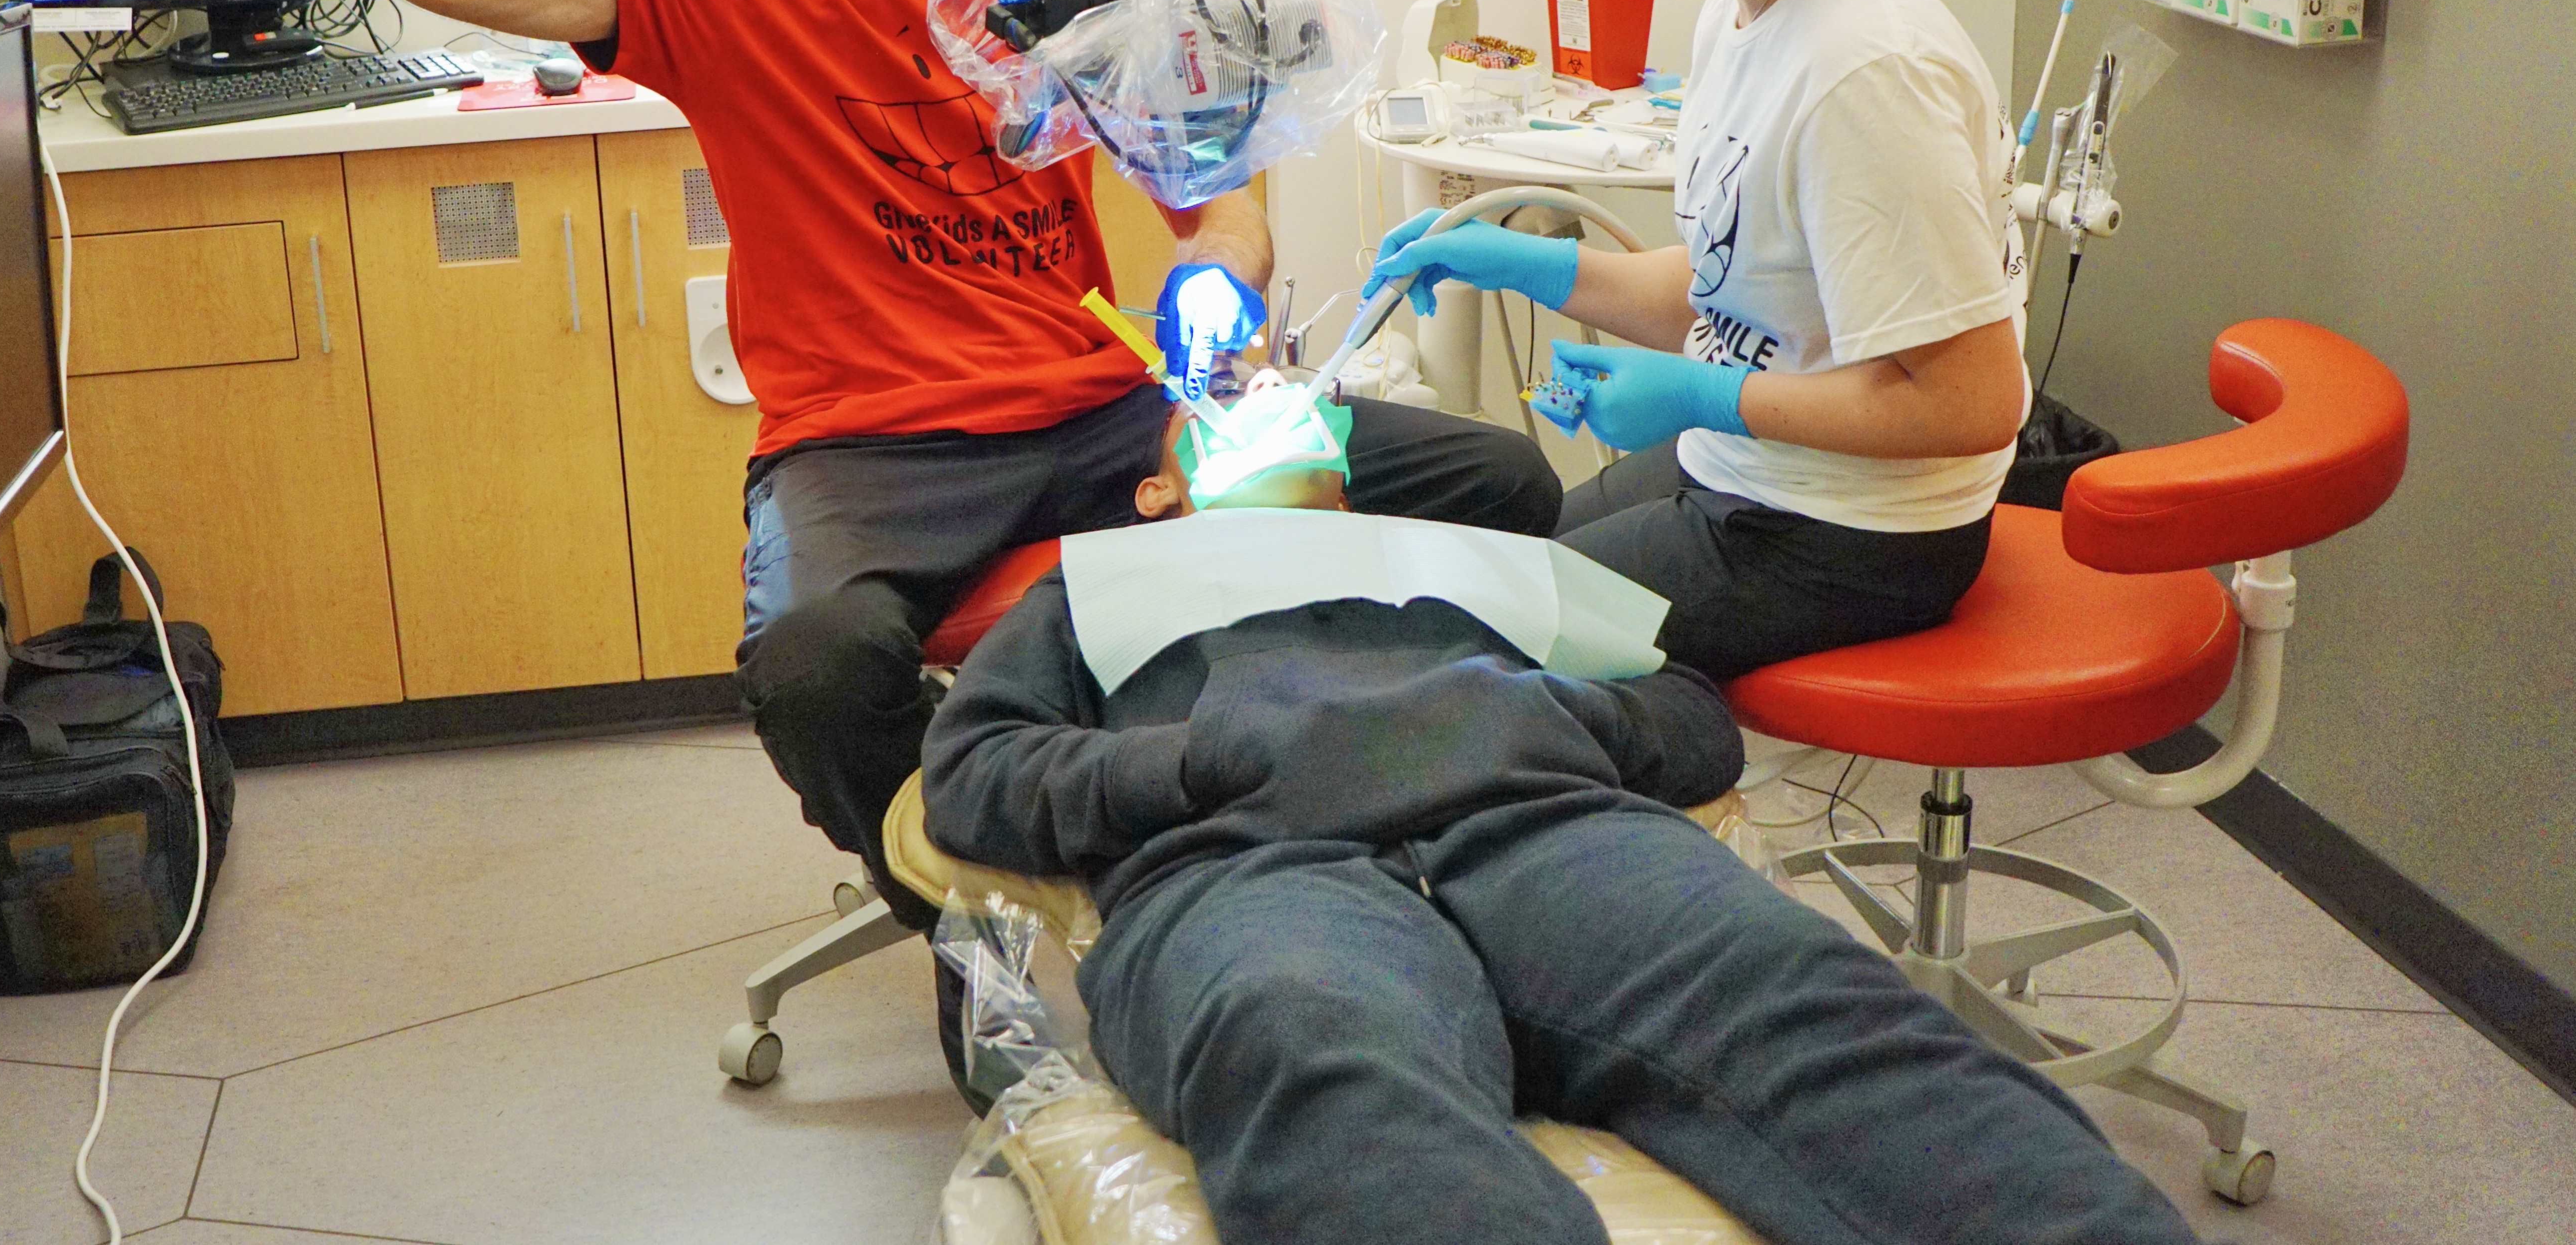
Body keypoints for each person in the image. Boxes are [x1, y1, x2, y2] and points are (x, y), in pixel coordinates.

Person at [361, 0, 1556, 1085]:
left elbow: (1220, 209)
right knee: (811, 665)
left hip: (1112, 415)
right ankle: (963, 913)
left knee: (1491, 484)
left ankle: (1424, 849)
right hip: (866, 447)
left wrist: (1212, 332)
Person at [919, 406, 2199, 1245]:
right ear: (1160, 492)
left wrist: (1540, 720)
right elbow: (971, 773)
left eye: (1295, 396)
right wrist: (1192, 762)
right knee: (1315, 1052)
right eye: (1224, 408)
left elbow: (1690, 716)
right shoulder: (1099, 587)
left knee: (1814, 1003)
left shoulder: (1465, 561)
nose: (1266, 395)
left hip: (1551, 833)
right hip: (1254, 871)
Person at [1367, 0, 2029, 683]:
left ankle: (1685, 808)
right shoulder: (1742, 8)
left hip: (1851, 534)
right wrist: (1526, 265)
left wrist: (1699, 396)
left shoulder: (1864, 66)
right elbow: (1743, 282)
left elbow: (1969, 404)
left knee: (1461, 651)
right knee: (1503, 548)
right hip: (1752, 474)